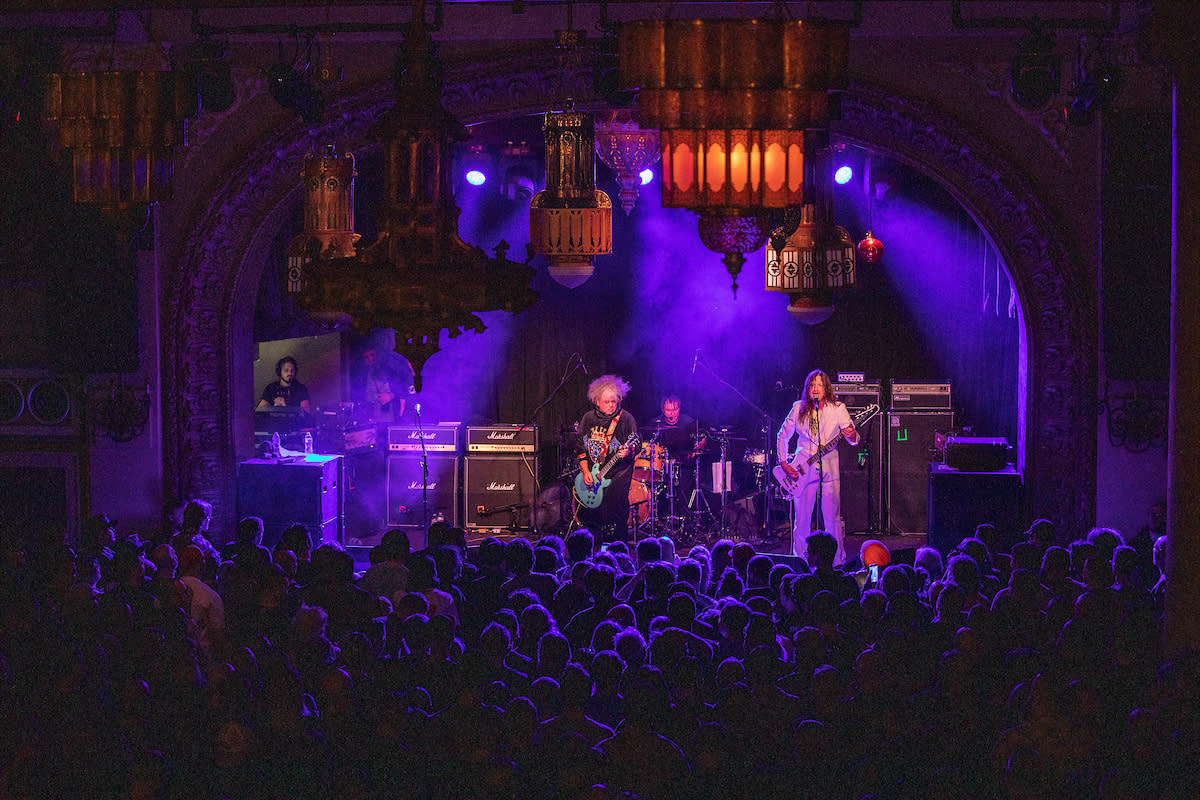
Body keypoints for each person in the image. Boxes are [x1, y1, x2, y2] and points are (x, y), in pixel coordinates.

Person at [776, 369, 859, 564]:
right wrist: (783, 463)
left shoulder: (838, 408)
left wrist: (851, 435)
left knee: (833, 519)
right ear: (807, 389)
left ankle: (837, 562)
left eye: (819, 385)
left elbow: (854, 437)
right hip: (801, 470)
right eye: (812, 385)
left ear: (826, 388)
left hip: (829, 470)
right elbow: (783, 435)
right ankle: (800, 561)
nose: (815, 389)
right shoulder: (798, 408)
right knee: (802, 520)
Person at [576, 374, 638, 543]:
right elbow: (580, 446)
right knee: (593, 514)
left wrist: (629, 450)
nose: (611, 405)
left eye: (614, 402)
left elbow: (637, 443)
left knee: (617, 510)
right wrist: (585, 470)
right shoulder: (588, 419)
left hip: (619, 473)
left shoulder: (626, 419)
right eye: (607, 402)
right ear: (597, 401)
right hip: (594, 473)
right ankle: (594, 547)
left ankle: (618, 546)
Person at [647, 394, 707, 514]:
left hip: (684, 465)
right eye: (668, 410)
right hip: (662, 466)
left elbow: (702, 438)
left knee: (685, 487)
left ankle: (684, 516)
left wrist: (701, 443)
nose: (672, 413)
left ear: (679, 409)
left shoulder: (689, 422)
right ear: (663, 410)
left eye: (675, 409)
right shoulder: (655, 424)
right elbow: (649, 445)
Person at [362, 343, 415, 423]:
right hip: (382, 417)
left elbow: (408, 390)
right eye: (366, 357)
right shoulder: (370, 373)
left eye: (372, 355)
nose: (370, 358)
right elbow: (369, 396)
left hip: (401, 413)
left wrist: (391, 396)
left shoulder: (392, 367)